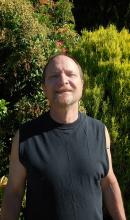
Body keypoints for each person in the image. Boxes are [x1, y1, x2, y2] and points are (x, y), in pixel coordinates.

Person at [1, 54, 126, 220]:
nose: (63, 80)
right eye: (54, 76)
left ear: (82, 85)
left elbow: (109, 183)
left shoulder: (99, 131)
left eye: (70, 74)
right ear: (44, 88)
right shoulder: (25, 136)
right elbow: (14, 194)